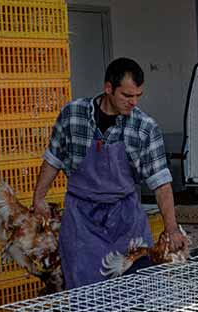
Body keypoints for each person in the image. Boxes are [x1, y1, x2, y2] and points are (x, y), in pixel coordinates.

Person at [32, 57, 189, 289]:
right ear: (108, 88)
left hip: (125, 218)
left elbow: (161, 182)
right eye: (127, 96)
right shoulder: (73, 115)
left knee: (137, 285)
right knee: (84, 290)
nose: (133, 102)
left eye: (138, 96)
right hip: (81, 218)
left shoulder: (144, 127)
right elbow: (53, 159)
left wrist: (172, 228)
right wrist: (39, 198)